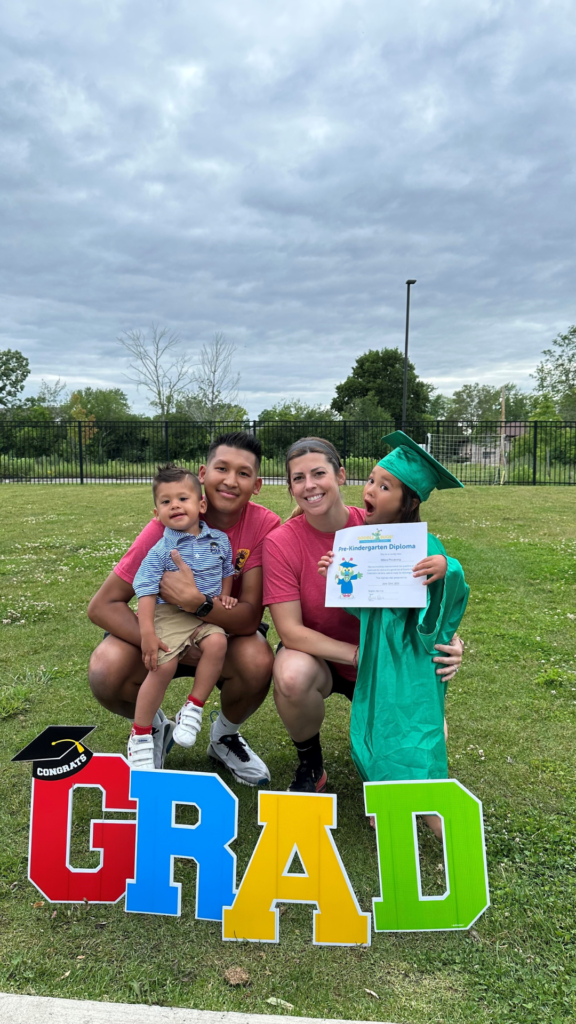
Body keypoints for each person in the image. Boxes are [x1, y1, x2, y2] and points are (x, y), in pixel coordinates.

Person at [262, 437, 464, 794]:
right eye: (298, 478)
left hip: (389, 660)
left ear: (340, 475)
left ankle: (396, 791)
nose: (309, 486)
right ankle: (311, 763)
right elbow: (290, 632)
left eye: (318, 473)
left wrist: (450, 642)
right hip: (327, 659)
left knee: (433, 732)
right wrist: (361, 655)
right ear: (290, 487)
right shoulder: (282, 542)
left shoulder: (380, 527)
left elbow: (427, 600)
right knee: (291, 674)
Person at [87, 432, 280, 784]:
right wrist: (164, 643)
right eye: (222, 468)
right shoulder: (167, 524)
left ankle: (224, 737)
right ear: (203, 474)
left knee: (257, 659)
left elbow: (250, 617)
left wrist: (198, 603)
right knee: (105, 667)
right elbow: (102, 606)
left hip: (219, 633)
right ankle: (153, 728)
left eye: (243, 473)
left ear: (257, 485)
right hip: (163, 630)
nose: (230, 480)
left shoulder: (264, 525)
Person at [318, 432, 469, 837]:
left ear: (409, 502)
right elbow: (363, 607)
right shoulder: (363, 543)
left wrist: (447, 568)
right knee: (379, 721)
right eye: (371, 480)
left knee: (414, 724)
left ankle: (432, 809)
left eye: (385, 487)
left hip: (413, 660)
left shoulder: (426, 546)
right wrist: (339, 577)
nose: (370, 490)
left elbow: (446, 604)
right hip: (378, 656)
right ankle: (386, 793)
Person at [128, 463, 237, 770]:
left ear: (201, 505)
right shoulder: (161, 550)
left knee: (218, 643)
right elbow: (146, 590)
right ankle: (140, 735)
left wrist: (225, 594)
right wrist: (147, 633)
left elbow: (227, 569)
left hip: (205, 615)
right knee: (163, 666)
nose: (174, 505)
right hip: (170, 615)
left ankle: (193, 708)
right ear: (157, 513)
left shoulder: (219, 540)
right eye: (166, 501)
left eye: (182, 498)